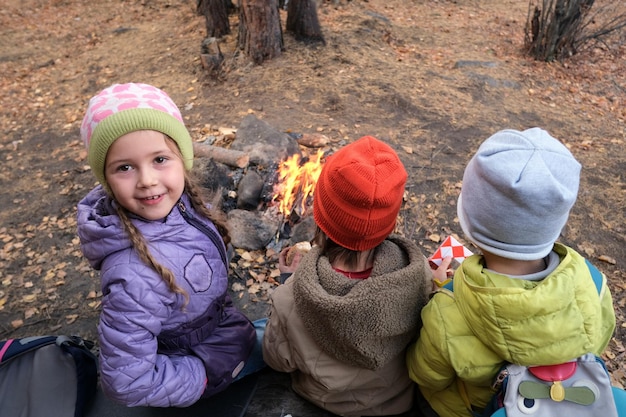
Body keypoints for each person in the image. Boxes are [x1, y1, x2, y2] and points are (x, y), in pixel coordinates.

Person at [406, 128, 616, 417]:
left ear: (469, 220)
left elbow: (425, 375)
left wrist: (442, 293)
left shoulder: (446, 312)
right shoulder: (593, 282)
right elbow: (599, 338)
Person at [77, 83, 262, 407]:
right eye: (125, 167)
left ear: (182, 158)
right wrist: (199, 375)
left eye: (160, 159)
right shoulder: (134, 277)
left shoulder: (180, 205)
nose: (147, 179)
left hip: (218, 331)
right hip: (201, 362)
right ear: (106, 178)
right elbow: (127, 382)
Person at [262, 136, 439, 417]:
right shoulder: (419, 279)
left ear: (322, 216)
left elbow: (277, 361)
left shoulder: (292, 297)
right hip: (396, 405)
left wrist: (287, 282)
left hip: (324, 404)